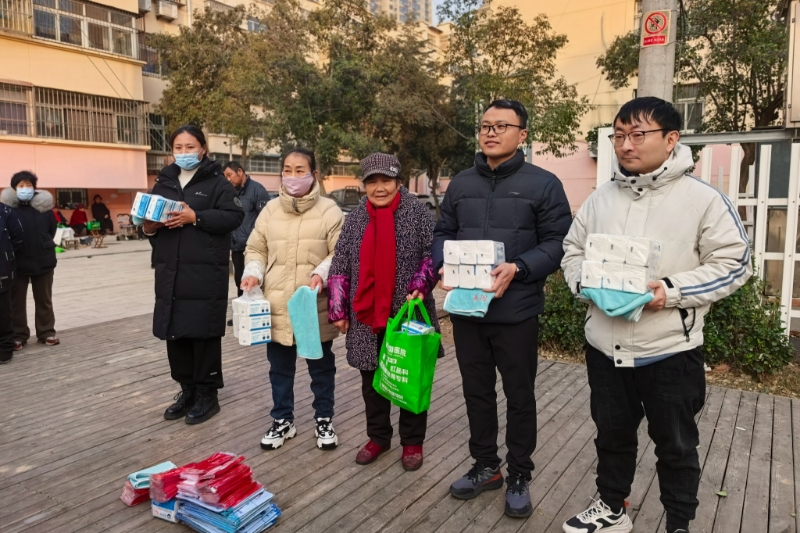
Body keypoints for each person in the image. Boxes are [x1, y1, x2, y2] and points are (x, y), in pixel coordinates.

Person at [560, 97, 752, 533]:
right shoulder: (601, 198)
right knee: (612, 436)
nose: (626, 145)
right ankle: (612, 509)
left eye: (637, 134)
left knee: (676, 445)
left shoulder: (703, 200)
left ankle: (679, 523)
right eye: (619, 135)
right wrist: (583, 283)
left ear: (671, 139)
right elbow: (572, 250)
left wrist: (670, 291)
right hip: (604, 347)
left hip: (669, 350)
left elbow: (734, 264)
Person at [432, 100, 572, 518]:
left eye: (501, 126)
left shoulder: (544, 184)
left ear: (522, 134)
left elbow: (559, 243)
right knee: (476, 392)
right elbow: (443, 231)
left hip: (516, 312)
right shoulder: (461, 183)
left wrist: (520, 267)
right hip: (467, 310)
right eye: (485, 126)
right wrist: (442, 263)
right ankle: (486, 466)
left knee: (519, 395)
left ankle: (519, 474)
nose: (490, 133)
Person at [328, 152, 441, 471]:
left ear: (398, 182)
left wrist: (422, 282)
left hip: (408, 311)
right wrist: (338, 308)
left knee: (410, 374)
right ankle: (378, 437)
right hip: (366, 315)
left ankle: (413, 442)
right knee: (371, 379)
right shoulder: (355, 219)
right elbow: (340, 263)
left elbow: (434, 253)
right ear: (364, 185)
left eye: (386, 181)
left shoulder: (417, 212)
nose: (379, 188)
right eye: (372, 182)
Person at [240, 148, 344, 451]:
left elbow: (340, 253)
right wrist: (253, 273)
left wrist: (321, 273)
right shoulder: (270, 210)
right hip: (277, 305)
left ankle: (324, 418)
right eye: (287, 169)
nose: (293, 176)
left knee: (321, 368)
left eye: (300, 170)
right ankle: (282, 420)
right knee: (279, 369)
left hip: (313, 305)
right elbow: (256, 248)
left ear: (314, 174)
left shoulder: (330, 211)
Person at [144, 125, 244, 425]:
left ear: (203, 149)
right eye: (178, 147)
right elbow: (150, 223)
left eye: (190, 147)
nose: (184, 152)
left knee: (202, 332)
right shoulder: (164, 181)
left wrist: (195, 217)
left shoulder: (216, 182)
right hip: (170, 271)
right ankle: (186, 390)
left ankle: (207, 394)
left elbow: (234, 216)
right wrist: (149, 227)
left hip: (204, 273)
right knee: (175, 332)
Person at [1, 172, 60, 350]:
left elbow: (51, 231)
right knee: (16, 302)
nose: (25, 189)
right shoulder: (7, 209)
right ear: (14, 188)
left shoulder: (44, 208)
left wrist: (42, 244)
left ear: (34, 188)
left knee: (44, 299)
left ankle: (46, 332)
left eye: (28, 185)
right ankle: (19, 335)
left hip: (43, 260)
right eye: (21, 185)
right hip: (17, 263)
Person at [222, 161, 269, 326]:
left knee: (254, 281)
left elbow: (266, 218)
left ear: (240, 171)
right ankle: (241, 316)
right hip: (236, 245)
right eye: (225, 177)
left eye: (230, 175)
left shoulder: (257, 190)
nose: (228, 179)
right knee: (239, 281)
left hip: (253, 247)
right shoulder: (231, 192)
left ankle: (255, 315)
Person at [0, 194, 24, 364]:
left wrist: (6, 255)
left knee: (2, 311)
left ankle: (5, 347)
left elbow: (18, 237)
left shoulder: (6, 211)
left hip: (2, 270)